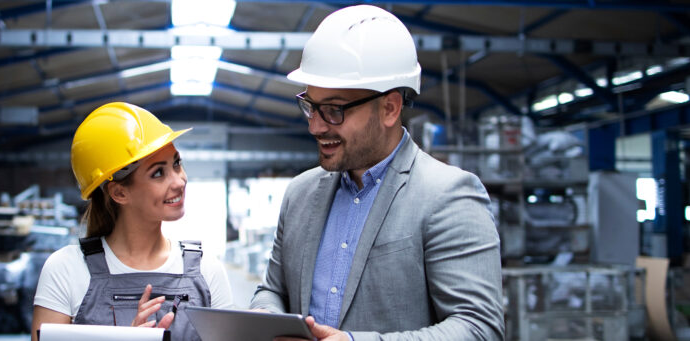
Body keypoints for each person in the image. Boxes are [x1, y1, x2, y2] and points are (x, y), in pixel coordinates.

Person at [249, 5, 504, 340]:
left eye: (333, 110)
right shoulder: (300, 194)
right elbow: (273, 289)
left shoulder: (448, 196)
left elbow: (479, 328)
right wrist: (265, 317)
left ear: (389, 108)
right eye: (310, 106)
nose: (314, 125)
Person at [31, 102, 234, 341]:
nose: (180, 181)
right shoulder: (66, 270)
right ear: (119, 193)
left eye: (176, 163)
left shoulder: (207, 270)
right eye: (158, 173)